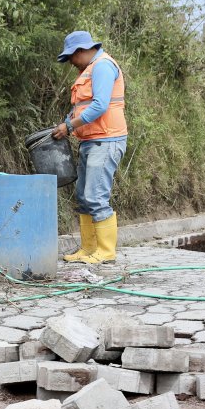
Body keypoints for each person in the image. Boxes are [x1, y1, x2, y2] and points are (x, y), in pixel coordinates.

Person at [51, 30, 127, 264]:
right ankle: (88, 248)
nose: (71, 63)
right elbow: (81, 108)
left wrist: (69, 127)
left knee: (95, 196)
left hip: (106, 140)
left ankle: (105, 251)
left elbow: (100, 106)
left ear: (81, 51)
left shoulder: (103, 66)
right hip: (91, 141)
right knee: (84, 197)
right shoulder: (90, 69)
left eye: (71, 57)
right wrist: (65, 123)